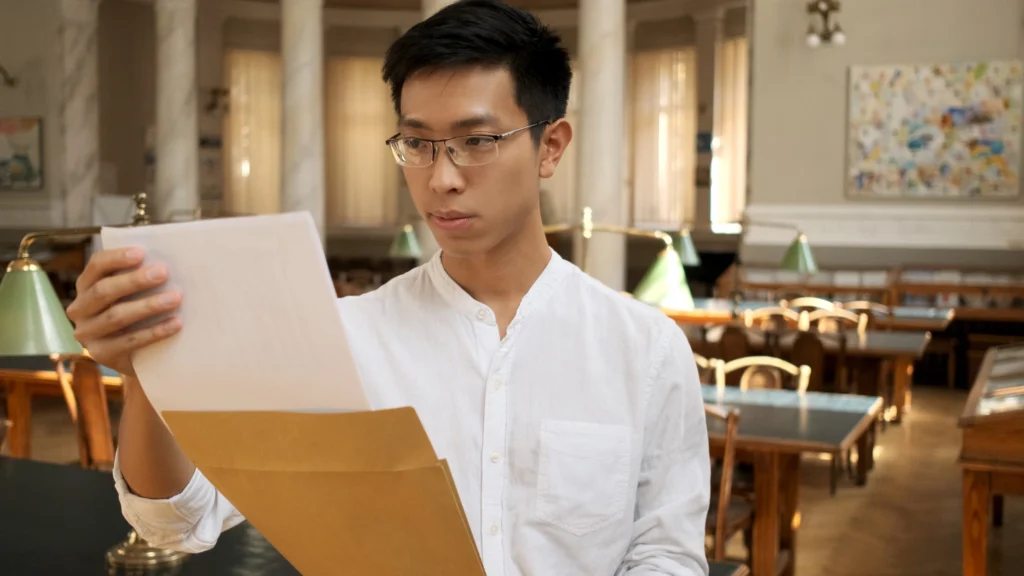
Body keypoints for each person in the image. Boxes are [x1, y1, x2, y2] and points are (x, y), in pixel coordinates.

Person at [66, 1, 710, 573]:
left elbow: (666, 554)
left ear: (551, 147)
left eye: (476, 140)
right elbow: (174, 524)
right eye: (417, 143)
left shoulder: (645, 350)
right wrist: (146, 371)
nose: (442, 178)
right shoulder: (340, 338)